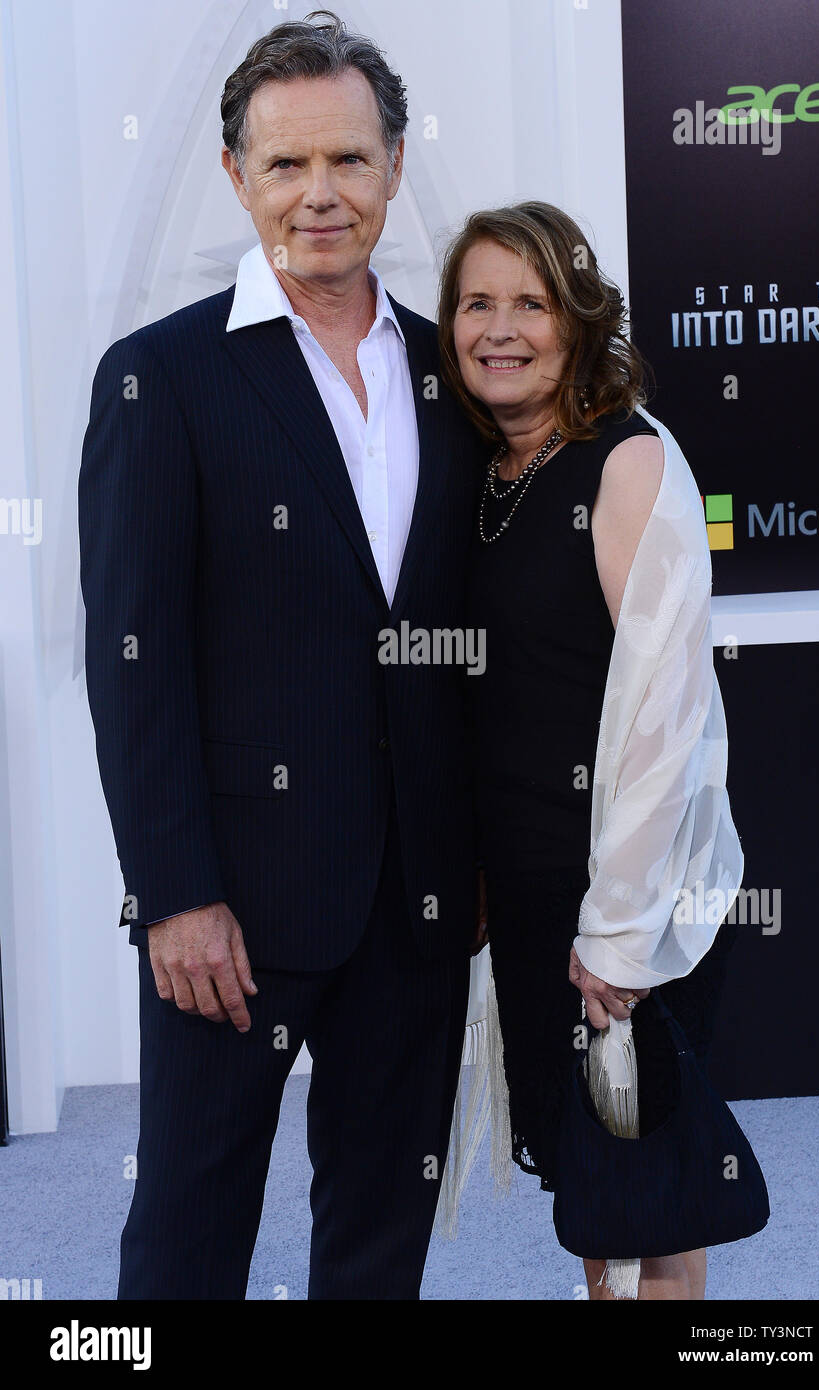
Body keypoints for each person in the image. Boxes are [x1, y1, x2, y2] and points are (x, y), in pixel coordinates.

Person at [78, 12, 485, 1300]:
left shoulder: (455, 375)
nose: (321, 195)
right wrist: (174, 891)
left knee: (379, 1227)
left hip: (415, 894)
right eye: (287, 165)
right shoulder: (160, 378)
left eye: (349, 162)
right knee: (190, 1234)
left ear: (395, 166)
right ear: (234, 176)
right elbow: (132, 663)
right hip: (231, 909)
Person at [437, 201, 745, 1300]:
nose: (501, 327)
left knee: (651, 1202)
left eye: (530, 302)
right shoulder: (483, 474)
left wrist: (616, 935)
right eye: (477, 302)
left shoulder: (631, 463)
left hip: (626, 908)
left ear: (577, 321)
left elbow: (667, 714)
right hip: (526, 898)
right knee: (590, 1194)